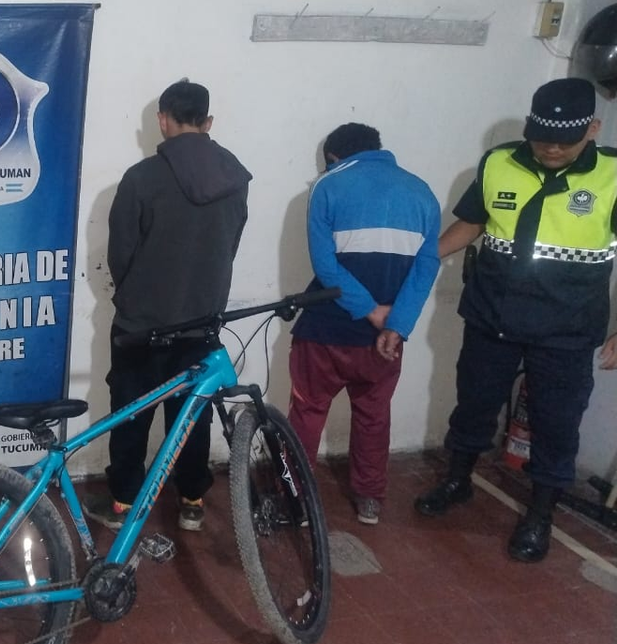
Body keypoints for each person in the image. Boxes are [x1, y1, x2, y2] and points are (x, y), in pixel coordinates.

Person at [416, 77, 617, 562]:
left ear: (593, 128)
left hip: (567, 329)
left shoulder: (613, 175)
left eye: (564, 140)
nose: (551, 148)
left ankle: (540, 515)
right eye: (541, 136)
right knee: (473, 406)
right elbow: (474, 222)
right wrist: (422, 259)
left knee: (556, 425)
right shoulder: (499, 161)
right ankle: (458, 480)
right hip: (493, 317)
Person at [86, 79, 251, 532]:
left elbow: (121, 254)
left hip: (143, 324)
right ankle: (192, 499)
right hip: (202, 322)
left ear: (162, 120)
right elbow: (230, 245)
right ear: (208, 121)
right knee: (192, 414)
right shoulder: (236, 179)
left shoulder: (141, 179)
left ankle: (123, 502)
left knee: (132, 413)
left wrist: (134, 299)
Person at [286, 123, 441, 525]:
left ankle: (296, 498)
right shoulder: (421, 192)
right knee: (374, 415)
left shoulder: (328, 185)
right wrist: (396, 324)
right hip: (385, 339)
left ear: (333, 157)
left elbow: (325, 266)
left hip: (326, 331)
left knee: (308, 411)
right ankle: (369, 499)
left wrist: (370, 310)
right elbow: (426, 268)